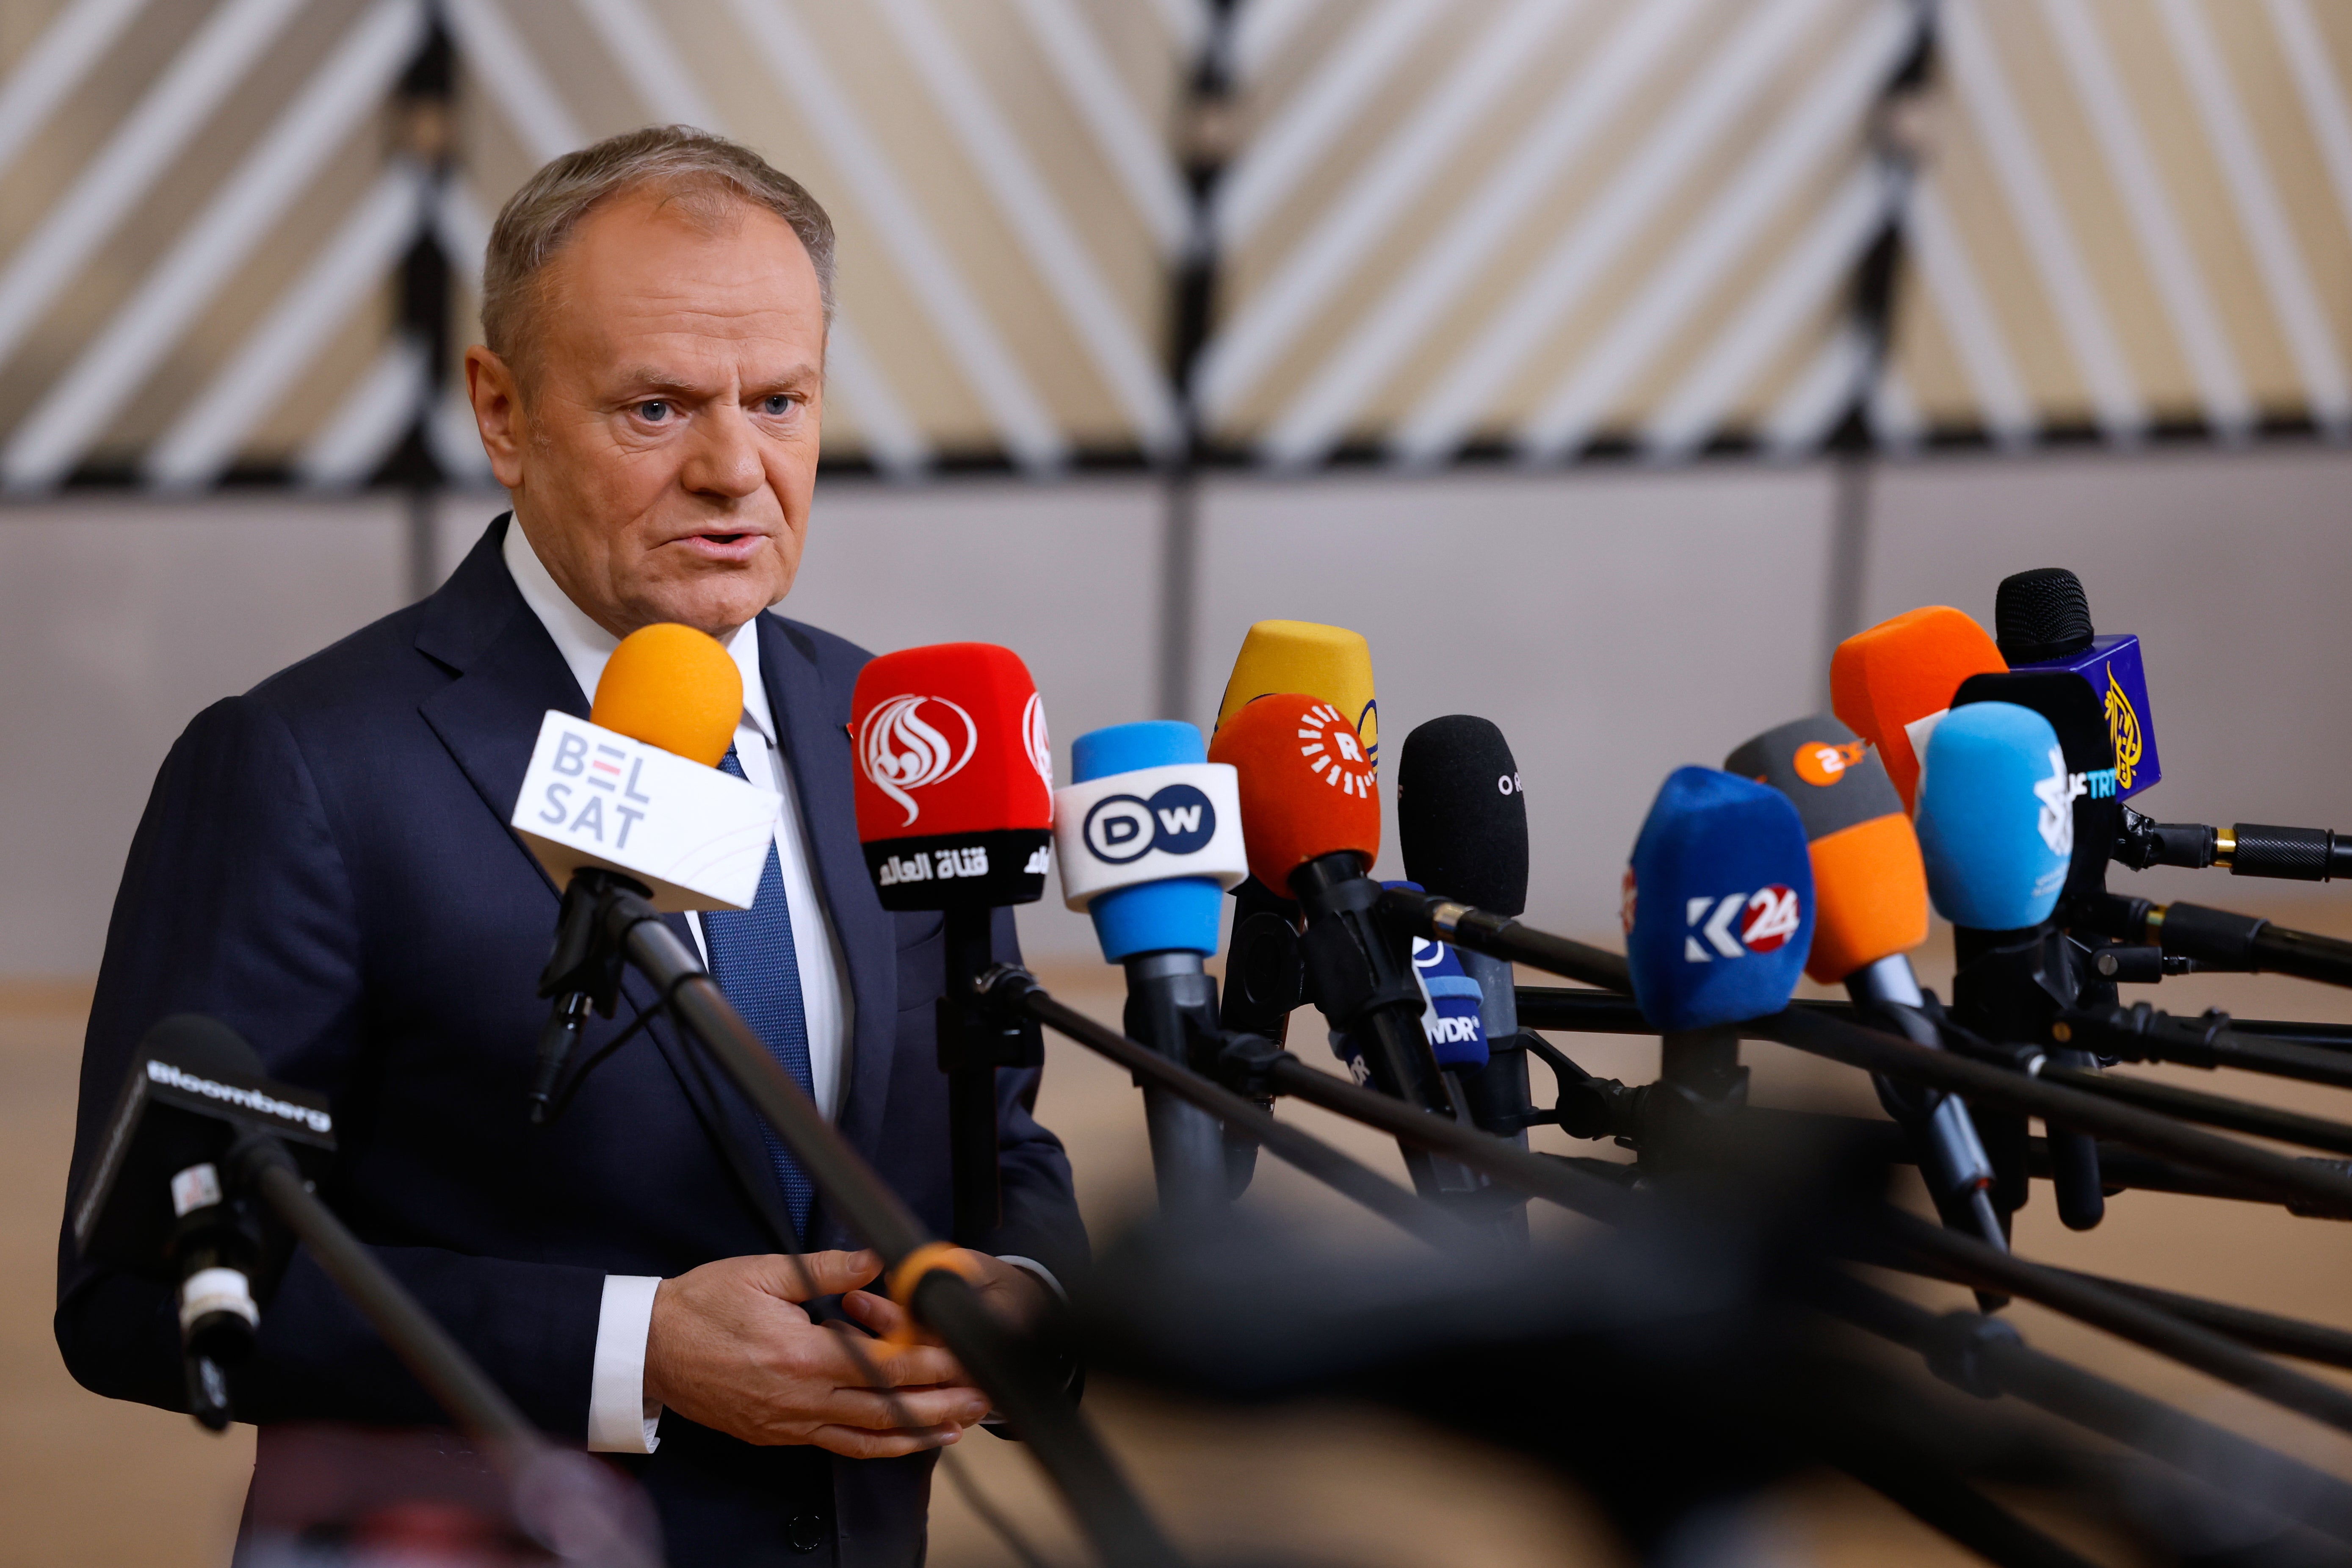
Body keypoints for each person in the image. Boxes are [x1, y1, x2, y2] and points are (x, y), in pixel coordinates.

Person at [56, 125, 1085, 1566]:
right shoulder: (304, 766)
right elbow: (139, 1288)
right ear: (503, 412)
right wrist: (633, 1350)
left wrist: (1024, 1298)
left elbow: (997, 1129)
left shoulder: (896, 732)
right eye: (657, 409)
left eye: (781, 400)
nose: (737, 469)